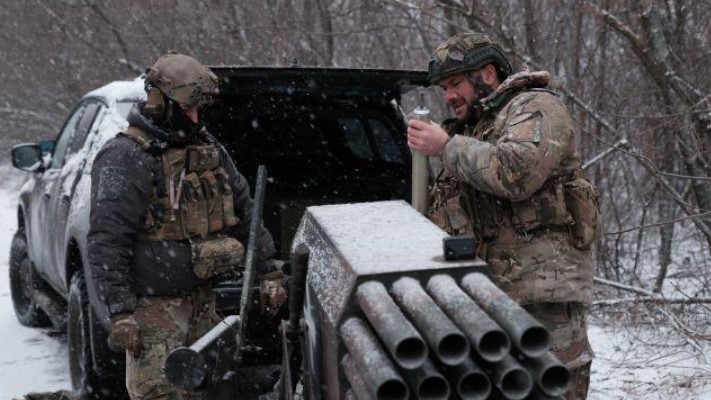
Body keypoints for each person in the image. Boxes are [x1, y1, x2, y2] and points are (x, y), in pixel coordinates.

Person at [407, 32, 600, 399]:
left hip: (542, 301)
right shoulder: (473, 130)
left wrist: (446, 147)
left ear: (489, 74)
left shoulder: (536, 107)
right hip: (488, 301)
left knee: (551, 390)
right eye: (444, 88)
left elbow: (516, 173)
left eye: (456, 83)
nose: (449, 96)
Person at [88, 52, 286, 400]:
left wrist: (268, 273)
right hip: (153, 313)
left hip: (205, 306)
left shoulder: (208, 149)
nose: (194, 118)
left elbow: (245, 214)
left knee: (213, 391)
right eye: (186, 109)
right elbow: (107, 241)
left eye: (199, 109)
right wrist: (119, 313)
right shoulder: (125, 157)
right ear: (157, 101)